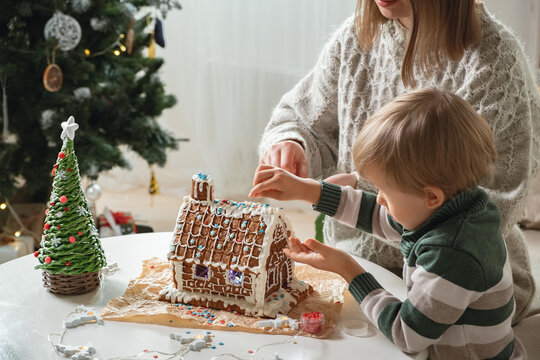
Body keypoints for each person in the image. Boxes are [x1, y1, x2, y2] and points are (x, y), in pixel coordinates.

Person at [257, 0, 540, 323]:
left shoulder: (492, 60)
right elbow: (300, 117)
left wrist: (360, 265)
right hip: (358, 259)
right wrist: (291, 143)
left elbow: (498, 199)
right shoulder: (356, 36)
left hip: (455, 283)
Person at [251, 88, 526, 359]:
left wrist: (349, 271)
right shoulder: (456, 206)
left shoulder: (453, 255)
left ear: (431, 196)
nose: (379, 198)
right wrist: (306, 190)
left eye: (385, 191)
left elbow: (407, 335)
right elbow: (380, 217)